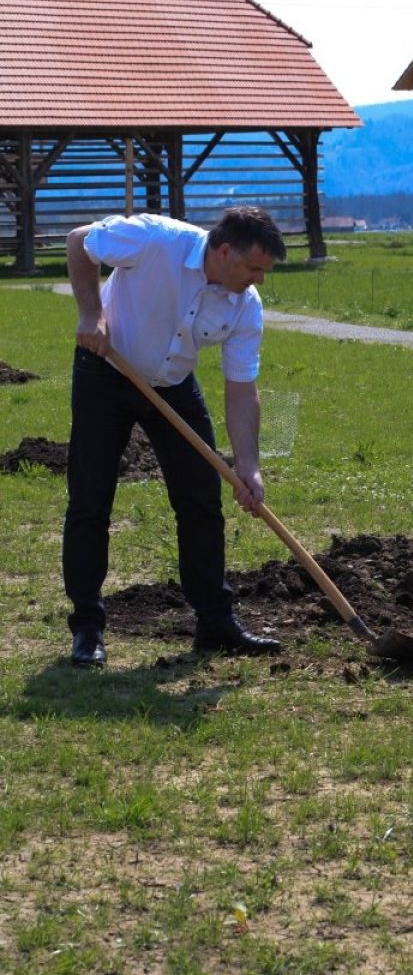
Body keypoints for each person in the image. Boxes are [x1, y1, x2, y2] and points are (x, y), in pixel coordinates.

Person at [63, 206, 287, 667]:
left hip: (173, 384)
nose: (259, 280)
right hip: (107, 369)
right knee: (91, 498)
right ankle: (87, 626)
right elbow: (78, 239)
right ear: (224, 252)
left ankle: (215, 623)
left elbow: (242, 389)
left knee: (202, 499)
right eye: (253, 268)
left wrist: (249, 465)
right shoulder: (155, 239)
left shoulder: (245, 304)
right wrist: (92, 314)